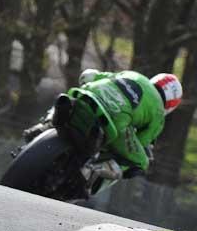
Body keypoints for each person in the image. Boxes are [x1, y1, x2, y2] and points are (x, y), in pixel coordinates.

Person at [23, 69, 183, 178]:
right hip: (114, 124)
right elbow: (141, 142)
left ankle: (44, 125)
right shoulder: (159, 116)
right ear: (171, 104)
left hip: (87, 95)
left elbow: (92, 76)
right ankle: (93, 169)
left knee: (74, 96)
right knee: (141, 161)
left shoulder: (133, 74)